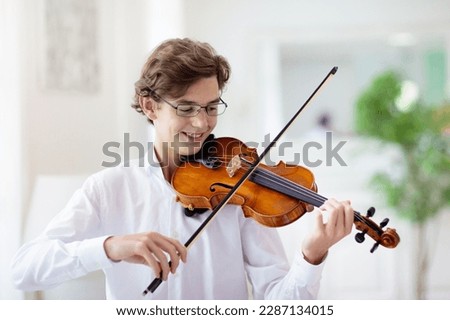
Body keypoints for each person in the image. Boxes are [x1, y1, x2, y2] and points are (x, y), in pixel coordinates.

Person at [11, 38, 353, 299]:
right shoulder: (109, 187)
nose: (202, 122)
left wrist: (312, 253)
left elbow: (282, 304)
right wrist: (110, 247)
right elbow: (24, 270)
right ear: (150, 106)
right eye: (186, 108)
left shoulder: (240, 188)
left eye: (211, 107)